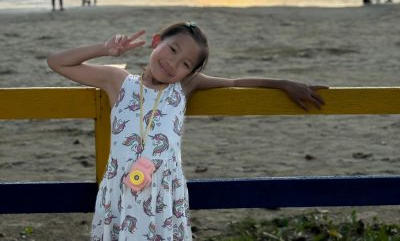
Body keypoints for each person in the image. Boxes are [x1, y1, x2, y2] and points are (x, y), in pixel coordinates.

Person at [47, 21, 326, 240]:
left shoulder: (184, 86)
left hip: (164, 194)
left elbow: (235, 82)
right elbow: (57, 62)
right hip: (122, 190)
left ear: (190, 72)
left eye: (185, 63)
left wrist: (283, 84)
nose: (173, 63)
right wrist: (106, 49)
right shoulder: (117, 80)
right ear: (156, 41)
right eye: (172, 49)